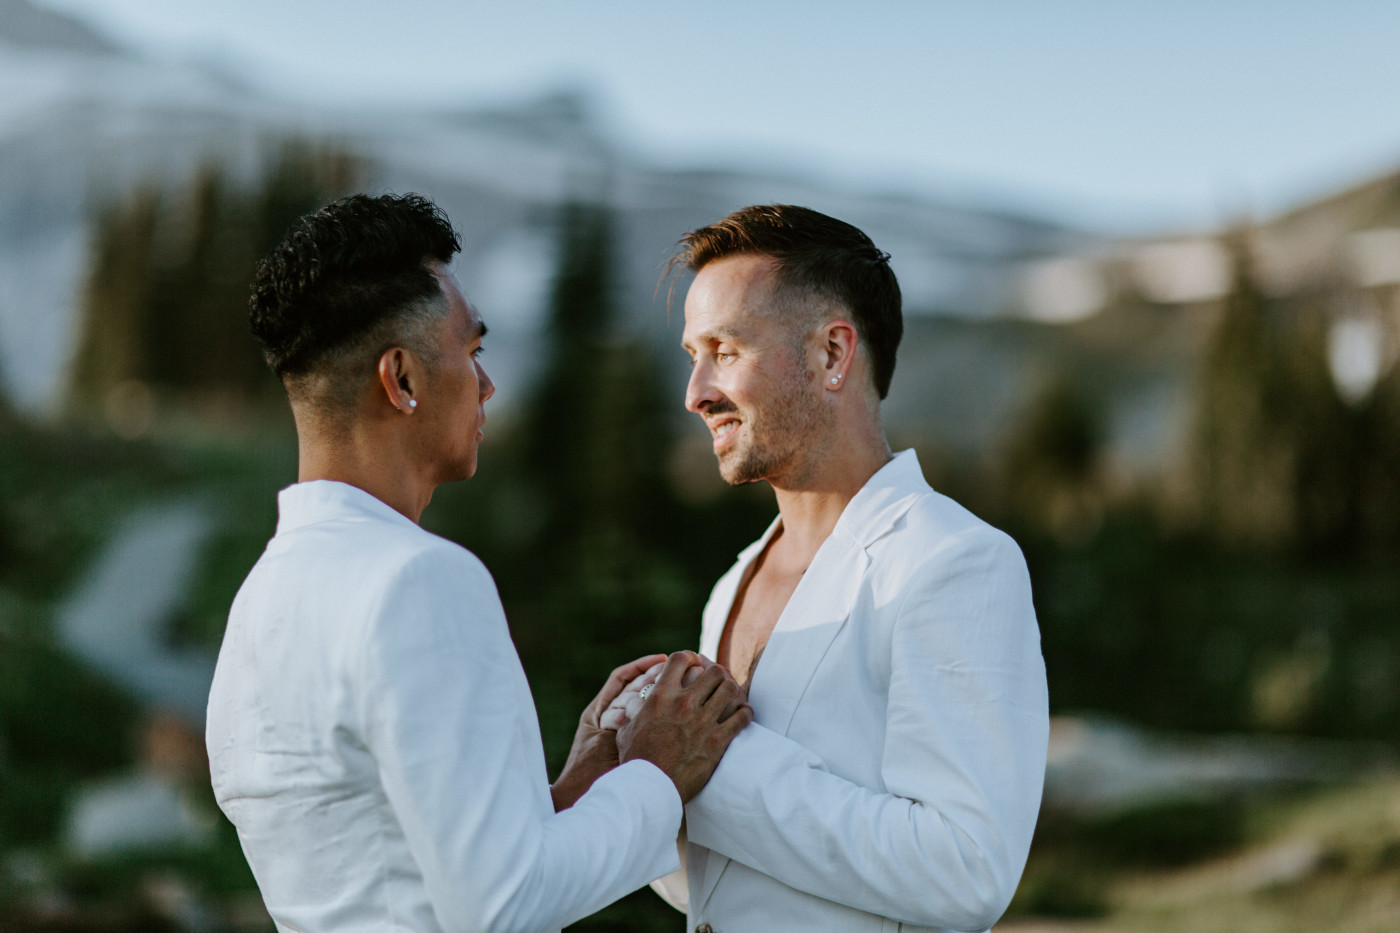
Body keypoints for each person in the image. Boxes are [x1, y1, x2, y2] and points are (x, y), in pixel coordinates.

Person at [205, 193, 751, 933]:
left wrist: (572, 793)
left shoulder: (262, 597)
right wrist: (659, 770)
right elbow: (503, 908)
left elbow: (400, 865)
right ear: (400, 379)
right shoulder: (418, 580)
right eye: (472, 352)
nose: (487, 385)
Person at [649, 204, 1050, 932]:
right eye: (691, 355)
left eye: (725, 350)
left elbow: (968, 868)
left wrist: (714, 770)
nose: (696, 392)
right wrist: (645, 773)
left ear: (833, 354)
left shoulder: (956, 561)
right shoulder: (729, 585)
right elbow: (722, 883)